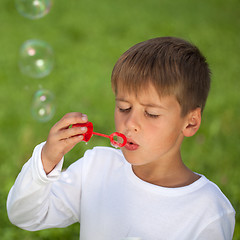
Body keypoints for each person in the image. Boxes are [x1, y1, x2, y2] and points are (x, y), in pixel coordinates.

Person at [7, 37, 235, 240]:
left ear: (190, 122)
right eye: (124, 108)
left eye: (151, 113)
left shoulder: (209, 211)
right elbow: (25, 215)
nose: (130, 123)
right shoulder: (96, 169)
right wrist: (46, 160)